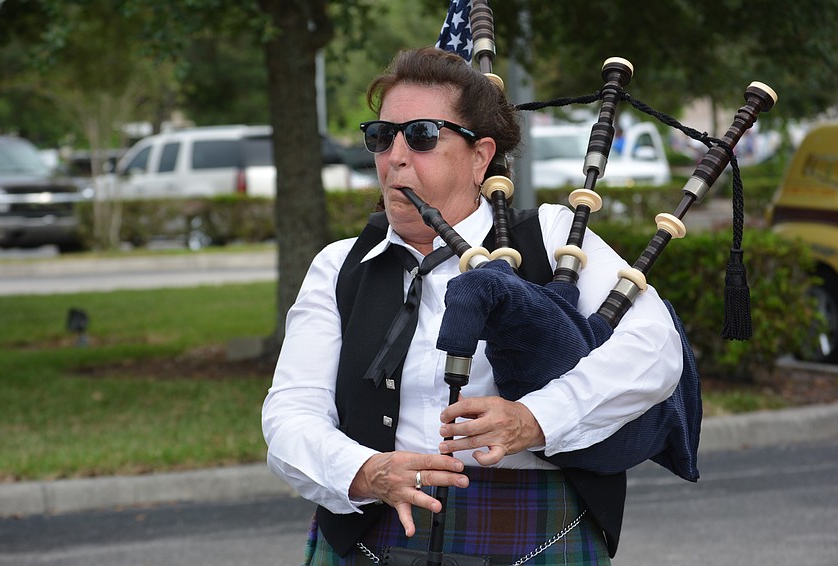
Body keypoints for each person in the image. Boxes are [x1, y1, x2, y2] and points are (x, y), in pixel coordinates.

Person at [262, 47, 683, 565]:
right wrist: (365, 471)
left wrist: (534, 419)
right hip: (372, 526)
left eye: (421, 136)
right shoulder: (339, 267)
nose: (394, 157)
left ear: (480, 156)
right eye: (381, 136)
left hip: (534, 527)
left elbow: (654, 349)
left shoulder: (550, 239)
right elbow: (290, 412)